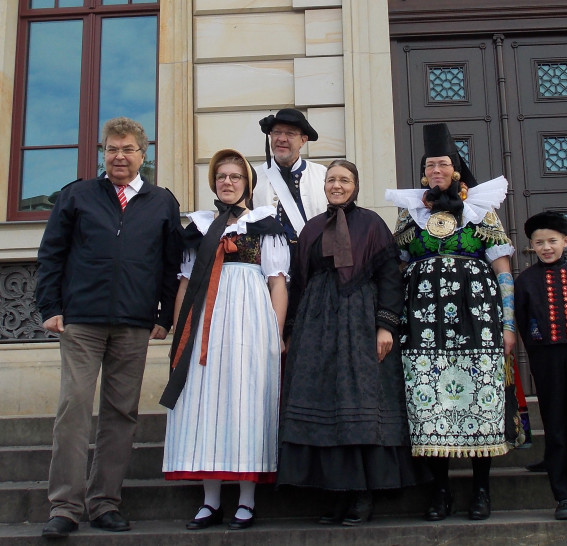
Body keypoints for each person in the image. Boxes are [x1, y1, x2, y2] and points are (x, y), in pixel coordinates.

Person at [35, 117, 182, 538]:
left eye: (128, 149)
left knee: (121, 414)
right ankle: (64, 506)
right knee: (74, 410)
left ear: (143, 154)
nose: (120, 156)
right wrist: (51, 306)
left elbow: (172, 266)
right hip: (81, 320)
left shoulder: (162, 202)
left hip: (134, 325)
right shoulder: (77, 195)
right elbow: (52, 255)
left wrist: (164, 316)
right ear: (103, 152)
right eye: (112, 149)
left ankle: (104, 503)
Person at [386, 123, 522, 522]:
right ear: (424, 173)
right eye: (431, 165)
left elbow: (503, 270)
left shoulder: (482, 209)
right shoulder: (410, 211)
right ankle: (440, 492)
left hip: (476, 320)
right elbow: (397, 265)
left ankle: (481, 492)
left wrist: (509, 324)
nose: (437, 170)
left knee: (481, 398)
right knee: (429, 403)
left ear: (457, 168)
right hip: (423, 323)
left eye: (443, 163)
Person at [277, 160, 419, 526]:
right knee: (324, 402)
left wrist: (385, 325)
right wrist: (290, 330)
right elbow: (298, 282)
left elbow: (390, 277)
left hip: (361, 320)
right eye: (331, 180)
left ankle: (361, 495)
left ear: (356, 185)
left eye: (344, 180)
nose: (336, 186)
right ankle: (333, 494)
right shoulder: (310, 229)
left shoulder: (373, 224)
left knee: (358, 403)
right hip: (317, 325)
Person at [159, 149, 289, 531]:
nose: (227, 182)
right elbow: (184, 285)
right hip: (205, 324)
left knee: (246, 400)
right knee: (203, 401)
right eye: (221, 177)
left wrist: (276, 333)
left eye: (235, 176)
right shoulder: (198, 228)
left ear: (247, 183)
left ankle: (246, 499)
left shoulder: (265, 225)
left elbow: (277, 283)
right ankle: (210, 500)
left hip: (250, 322)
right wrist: (183, 329)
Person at [514, 211, 567, 520]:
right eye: (539, 243)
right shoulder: (526, 280)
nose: (546, 247)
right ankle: (562, 496)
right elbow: (523, 320)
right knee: (556, 425)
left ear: (566, 240)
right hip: (546, 358)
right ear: (532, 246)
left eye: (552, 241)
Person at [254, 108, 328, 257]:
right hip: (267, 266)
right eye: (277, 132)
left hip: (313, 265)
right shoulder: (252, 177)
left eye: (290, 133)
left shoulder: (324, 175)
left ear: (303, 140)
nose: (281, 138)